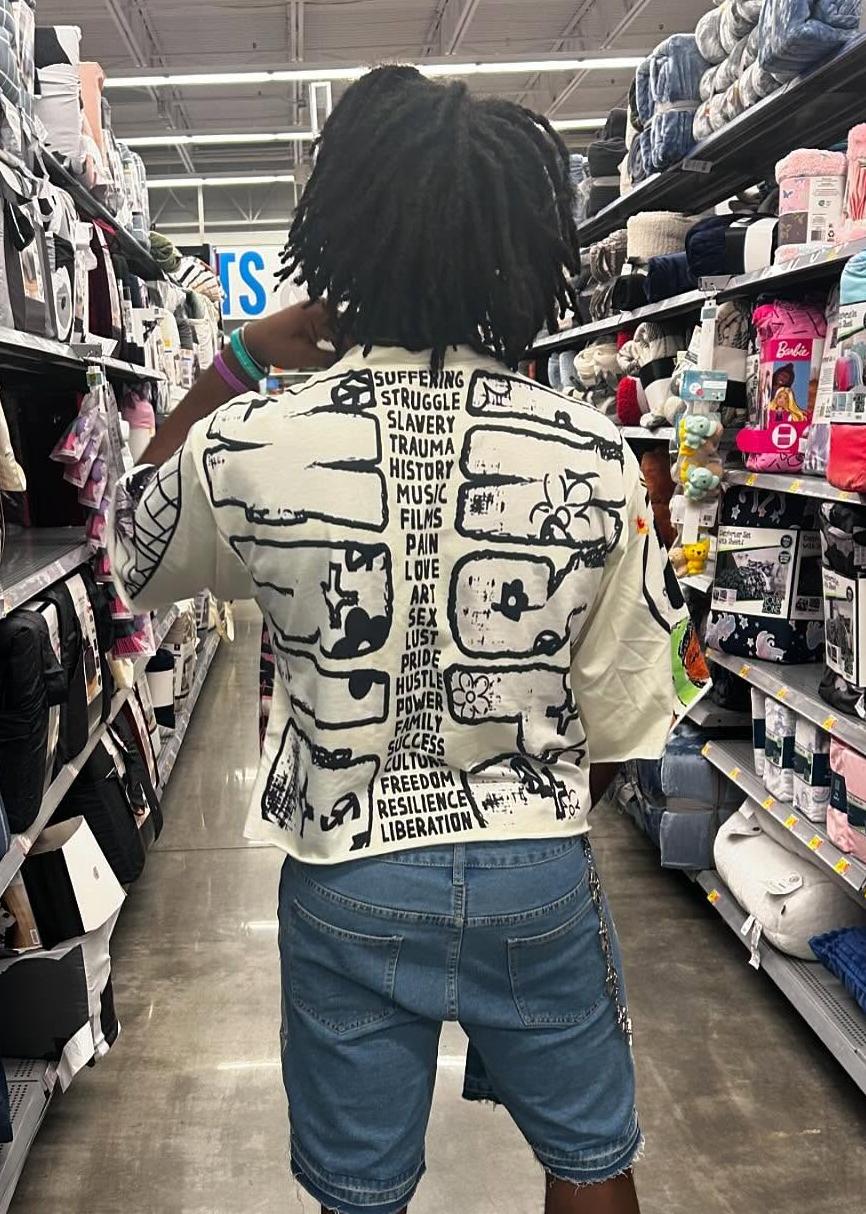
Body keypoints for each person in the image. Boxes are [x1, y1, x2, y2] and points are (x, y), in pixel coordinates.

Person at [109, 65, 690, 1214]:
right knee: (589, 1154)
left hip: (345, 862)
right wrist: (526, 812)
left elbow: (132, 537)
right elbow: (625, 711)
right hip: (533, 860)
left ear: (338, 236)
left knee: (360, 1189)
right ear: (519, 246)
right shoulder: (592, 454)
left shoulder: (252, 441)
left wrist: (238, 359)